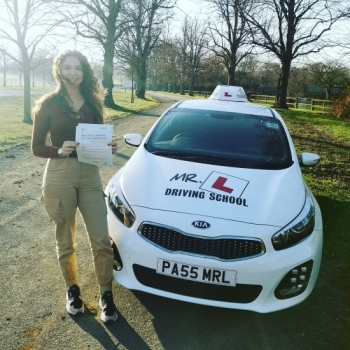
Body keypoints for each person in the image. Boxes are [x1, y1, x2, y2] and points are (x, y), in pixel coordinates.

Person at [31, 50, 118, 322]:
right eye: (67, 68)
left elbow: (98, 137)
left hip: (89, 173)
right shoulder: (48, 104)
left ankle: (105, 294)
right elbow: (36, 147)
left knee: (101, 240)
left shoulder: (93, 102)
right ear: (59, 70)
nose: (73, 73)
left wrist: (108, 147)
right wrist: (58, 150)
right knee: (65, 239)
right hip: (59, 174)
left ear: (84, 71)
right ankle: (73, 290)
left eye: (78, 68)